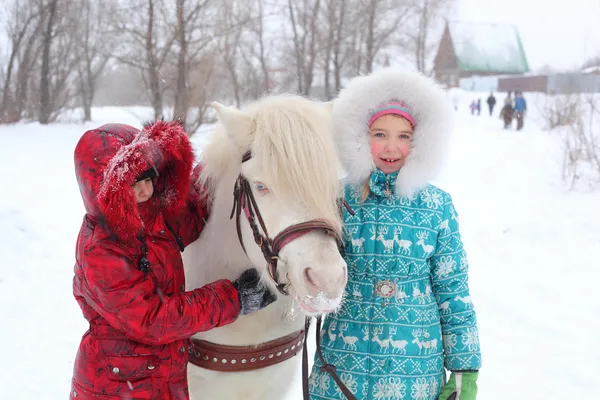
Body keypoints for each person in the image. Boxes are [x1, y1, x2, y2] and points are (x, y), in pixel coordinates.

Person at [69, 120, 275, 400]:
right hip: (114, 386)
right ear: (105, 190)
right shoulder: (100, 250)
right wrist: (233, 298)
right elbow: (152, 319)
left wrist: (224, 157)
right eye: (133, 185)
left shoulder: (152, 215)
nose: (145, 191)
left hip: (160, 377)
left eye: (148, 180)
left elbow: (194, 208)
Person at [309, 68, 481, 400]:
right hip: (343, 368)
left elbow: (453, 290)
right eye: (379, 134)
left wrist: (465, 368)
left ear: (419, 142)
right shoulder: (336, 198)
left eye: (404, 136)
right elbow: (312, 269)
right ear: (360, 137)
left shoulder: (437, 206)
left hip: (415, 371)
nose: (391, 147)